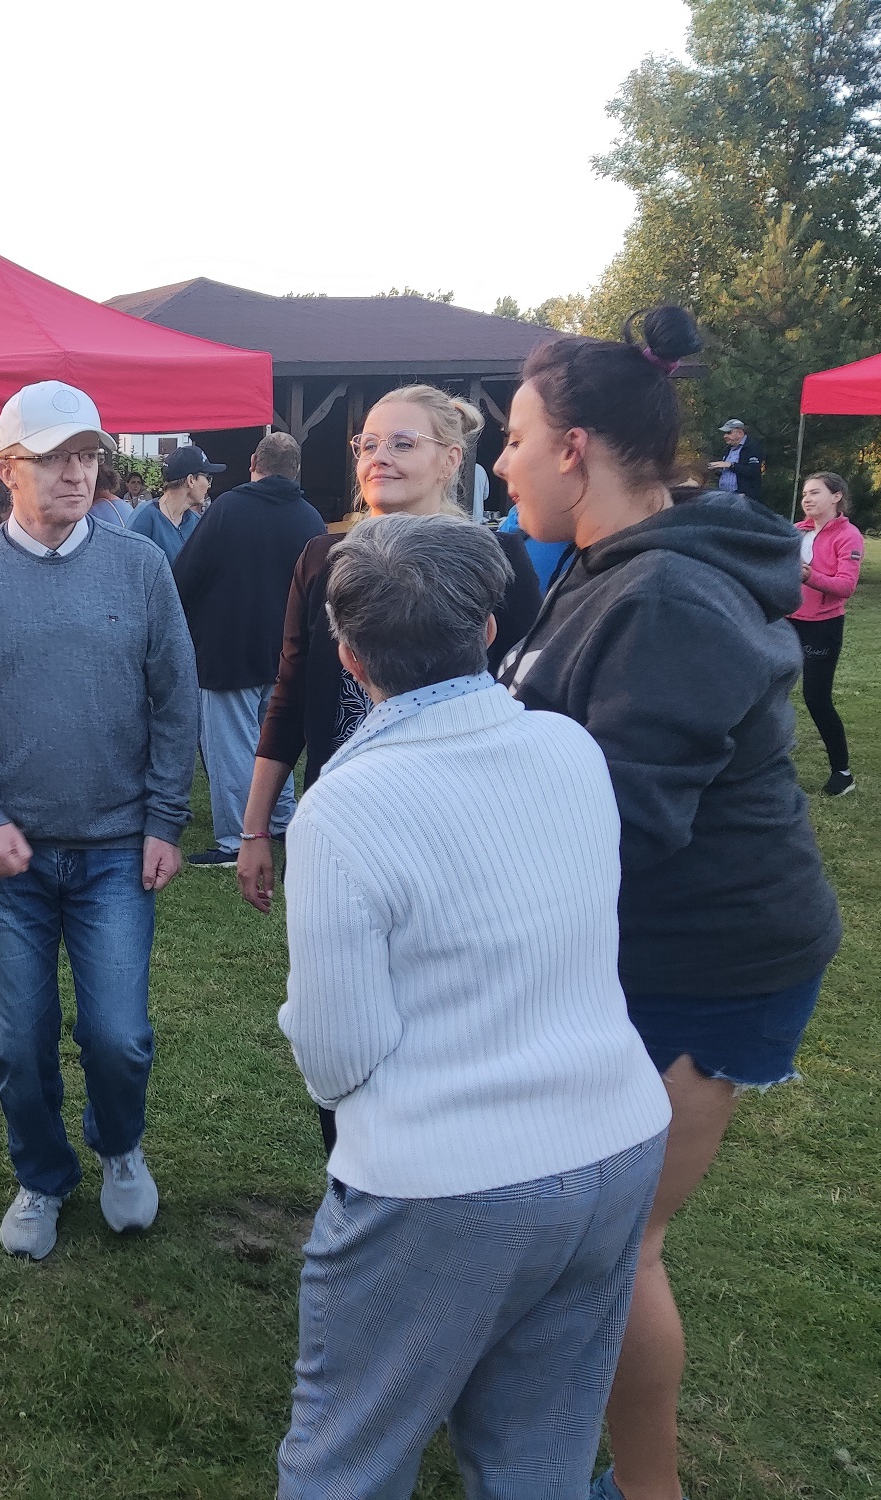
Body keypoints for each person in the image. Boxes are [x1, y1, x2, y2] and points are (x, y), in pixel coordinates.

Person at [490, 306, 841, 1500]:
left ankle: (647, 1492)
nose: (502, 462)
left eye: (514, 439)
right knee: (586, 1239)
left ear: (573, 447)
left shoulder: (665, 598)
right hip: (638, 950)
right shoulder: (601, 569)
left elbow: (621, 825)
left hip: (709, 965)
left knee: (618, 1247)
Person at [277, 513, 670, 1498]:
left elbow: (334, 1056)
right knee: (539, 1452)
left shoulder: (343, 807)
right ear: (488, 629)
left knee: (347, 1459)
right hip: (613, 1141)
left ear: (347, 656)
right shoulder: (568, 747)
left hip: (439, 1184)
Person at [0, 379, 197, 1261]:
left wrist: (164, 818)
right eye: (53, 459)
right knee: (17, 1040)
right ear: (7, 469)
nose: (76, 474)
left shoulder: (140, 568)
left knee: (119, 1036)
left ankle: (120, 1146)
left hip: (115, 850)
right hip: (10, 861)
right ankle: (40, 1174)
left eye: (87, 457)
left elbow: (175, 699)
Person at [238, 386, 545, 1136]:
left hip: (464, 830)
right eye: (368, 444)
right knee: (341, 1008)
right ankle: (350, 1172)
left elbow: (531, 698)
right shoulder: (323, 556)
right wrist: (254, 828)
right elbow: (290, 692)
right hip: (344, 825)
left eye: (402, 443)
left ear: (450, 459)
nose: (380, 457)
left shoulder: (497, 560)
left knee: (451, 1012)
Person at [171, 432, 325, 868]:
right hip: (286, 652)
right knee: (275, 740)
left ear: (254, 462)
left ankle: (237, 839)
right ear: (296, 470)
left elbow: (185, 575)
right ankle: (281, 819)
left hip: (228, 648)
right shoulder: (310, 519)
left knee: (232, 748)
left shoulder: (227, 510)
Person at [791, 472, 865, 797]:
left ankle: (842, 773)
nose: (807, 499)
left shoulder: (848, 536)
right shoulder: (796, 531)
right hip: (786, 621)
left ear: (836, 497)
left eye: (815, 493)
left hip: (822, 626)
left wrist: (808, 576)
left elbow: (845, 586)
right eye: (805, 494)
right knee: (767, 692)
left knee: (816, 698)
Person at [128, 443, 223, 564]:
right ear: (191, 480)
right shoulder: (144, 518)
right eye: (208, 478)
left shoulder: (196, 522)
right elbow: (128, 567)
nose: (209, 485)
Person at [708, 418, 764, 500]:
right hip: (725, 496)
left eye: (729, 433)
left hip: (743, 498)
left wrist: (731, 465)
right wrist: (718, 470)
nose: (725, 436)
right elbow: (730, 472)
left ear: (739, 433)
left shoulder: (752, 447)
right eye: (724, 433)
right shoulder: (728, 448)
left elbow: (753, 471)